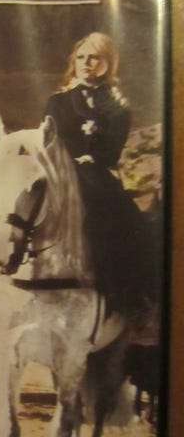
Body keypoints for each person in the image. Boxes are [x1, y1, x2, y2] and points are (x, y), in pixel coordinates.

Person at [43, 32, 156, 322]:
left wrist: (93, 156)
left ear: (107, 63)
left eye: (94, 57)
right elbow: (46, 141)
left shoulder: (117, 106)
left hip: (95, 172)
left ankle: (129, 297)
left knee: (132, 222)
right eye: (81, 57)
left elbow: (113, 148)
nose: (86, 63)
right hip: (59, 172)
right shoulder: (57, 102)